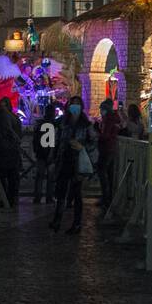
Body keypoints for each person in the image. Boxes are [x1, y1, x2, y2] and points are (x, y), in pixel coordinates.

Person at [49, 96, 96, 234]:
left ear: (81, 107)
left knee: (76, 194)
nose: (74, 107)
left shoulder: (86, 125)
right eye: (72, 104)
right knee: (60, 192)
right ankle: (57, 220)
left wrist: (82, 147)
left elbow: (93, 142)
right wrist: (53, 155)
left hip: (78, 161)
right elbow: (57, 140)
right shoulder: (63, 122)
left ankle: (76, 224)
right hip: (64, 160)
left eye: (77, 104)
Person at [0, 97, 22, 205]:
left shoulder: (1, 117)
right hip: (12, 151)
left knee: (4, 176)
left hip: (4, 151)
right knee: (12, 176)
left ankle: (5, 199)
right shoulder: (15, 118)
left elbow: (4, 131)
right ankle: (11, 198)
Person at [97, 99, 123, 211]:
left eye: (101, 109)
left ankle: (106, 198)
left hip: (106, 148)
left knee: (103, 172)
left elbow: (105, 135)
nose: (100, 111)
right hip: (111, 148)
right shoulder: (114, 118)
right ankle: (109, 197)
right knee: (109, 173)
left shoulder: (108, 120)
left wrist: (96, 134)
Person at [31, 104, 57, 204]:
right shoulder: (53, 124)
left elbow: (35, 139)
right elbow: (52, 141)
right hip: (49, 154)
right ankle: (49, 197)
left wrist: (36, 150)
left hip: (40, 153)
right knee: (50, 178)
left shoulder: (40, 123)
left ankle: (37, 197)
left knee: (39, 176)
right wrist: (52, 153)